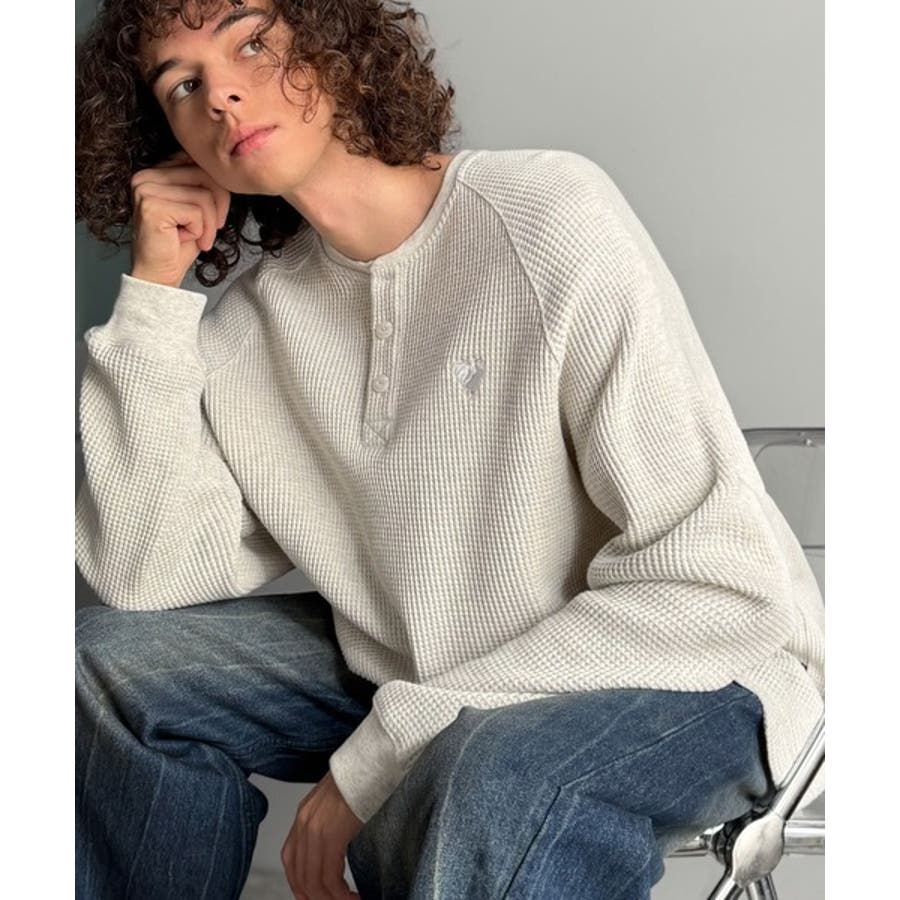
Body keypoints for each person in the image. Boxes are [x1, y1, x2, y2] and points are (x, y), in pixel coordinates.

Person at [74, 1, 826, 898]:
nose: (222, 95)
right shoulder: (250, 331)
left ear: (335, 42)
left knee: (494, 773)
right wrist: (153, 299)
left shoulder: (545, 215)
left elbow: (717, 587)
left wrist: (379, 757)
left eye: (253, 41)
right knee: (110, 664)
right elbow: (145, 573)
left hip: (695, 666)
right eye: (182, 85)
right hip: (427, 665)